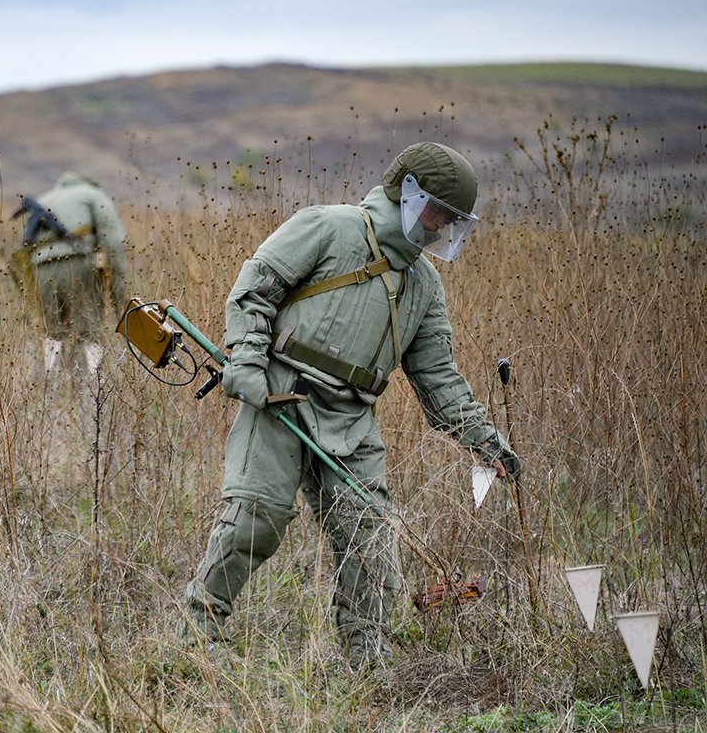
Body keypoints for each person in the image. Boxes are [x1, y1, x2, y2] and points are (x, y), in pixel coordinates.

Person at [181, 142, 520, 668]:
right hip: (280, 393)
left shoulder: (425, 286)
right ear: (406, 193)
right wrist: (247, 365)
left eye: (452, 220)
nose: (439, 227)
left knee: (370, 538)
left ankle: (369, 662)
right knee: (256, 518)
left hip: (353, 418)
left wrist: (485, 441)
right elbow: (255, 291)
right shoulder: (329, 227)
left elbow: (438, 379)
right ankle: (197, 633)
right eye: (437, 211)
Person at [14, 172, 127, 372]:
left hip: (40, 267)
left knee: (49, 333)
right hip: (80, 263)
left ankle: (44, 391)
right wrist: (117, 291)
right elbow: (112, 240)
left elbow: (23, 246)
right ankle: (91, 393)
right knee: (89, 332)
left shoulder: (45, 197)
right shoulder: (94, 194)